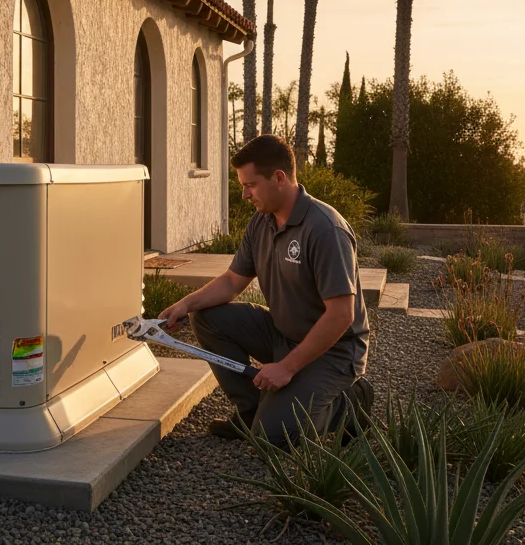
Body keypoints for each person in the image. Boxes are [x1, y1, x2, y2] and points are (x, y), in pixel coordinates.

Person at [159, 134, 372, 446]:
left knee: (274, 437)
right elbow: (233, 281)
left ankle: (352, 404)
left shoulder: (325, 229)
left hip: (335, 351)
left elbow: (341, 315)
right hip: (283, 335)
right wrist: (185, 304)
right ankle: (251, 411)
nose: (245, 195)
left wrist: (286, 368)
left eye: (250, 185)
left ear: (279, 178)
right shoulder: (262, 222)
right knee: (206, 317)